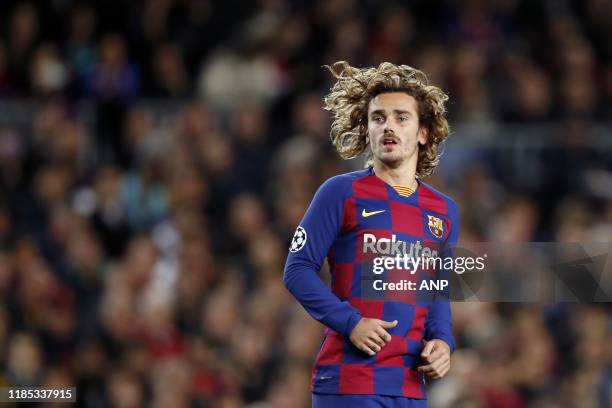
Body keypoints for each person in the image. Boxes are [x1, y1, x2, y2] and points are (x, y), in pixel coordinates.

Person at [283, 61, 459, 408]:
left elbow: (437, 288)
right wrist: (351, 323)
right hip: (350, 382)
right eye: (378, 118)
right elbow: (297, 270)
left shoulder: (443, 210)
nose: (388, 126)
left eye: (401, 117)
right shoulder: (340, 192)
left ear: (424, 132)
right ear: (367, 129)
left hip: (410, 387)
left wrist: (443, 341)